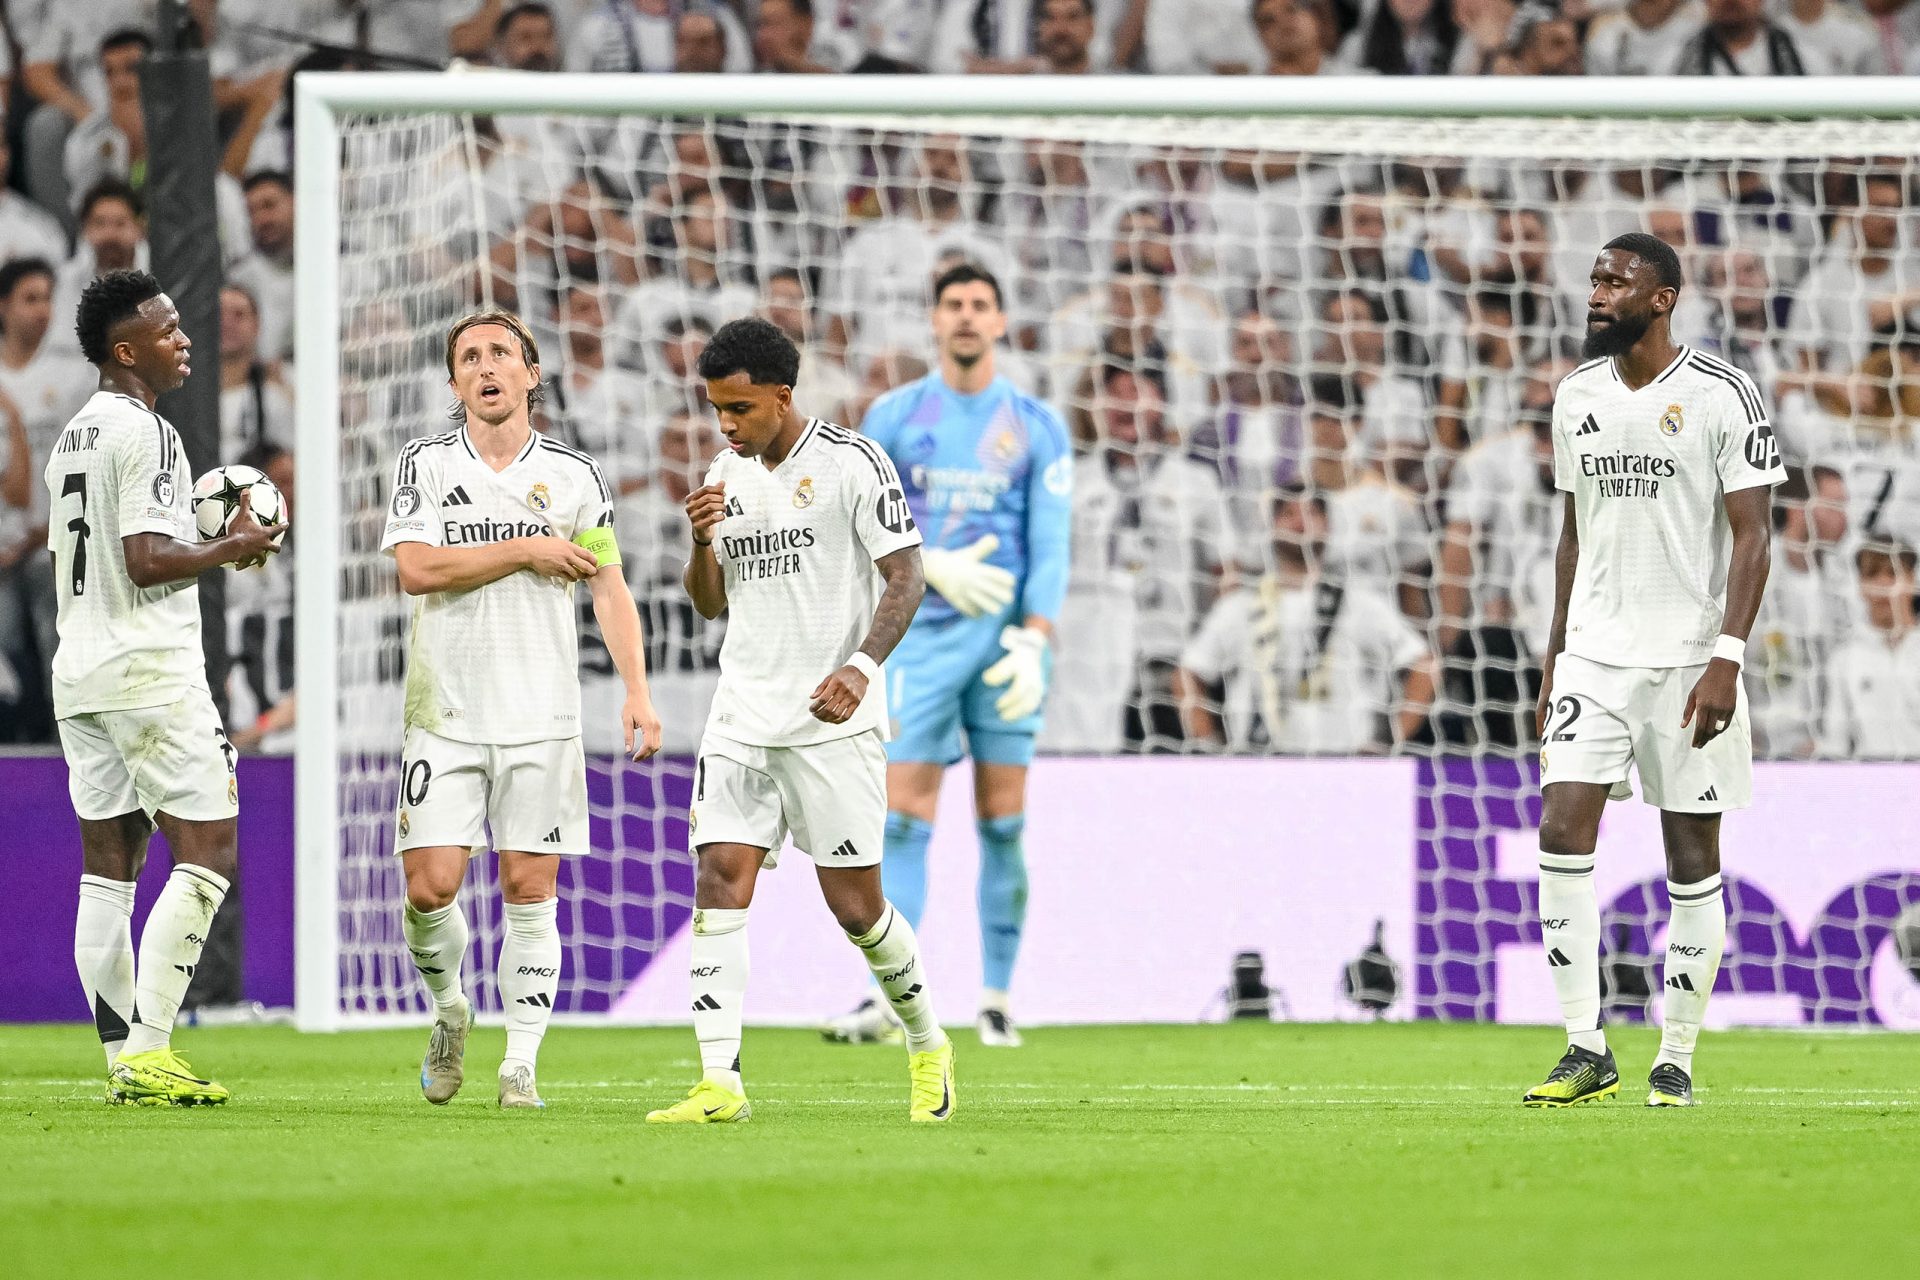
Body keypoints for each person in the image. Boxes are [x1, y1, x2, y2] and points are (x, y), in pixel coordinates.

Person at [648, 317, 954, 1124]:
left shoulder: (853, 463)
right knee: (719, 880)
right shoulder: (725, 473)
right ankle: (720, 1083)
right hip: (742, 715)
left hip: (832, 722)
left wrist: (860, 668)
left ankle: (927, 1043)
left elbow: (907, 576)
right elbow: (709, 603)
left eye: (740, 408)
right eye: (717, 408)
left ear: (782, 397)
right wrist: (703, 541)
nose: (726, 425)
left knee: (857, 909)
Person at [381, 309, 663, 1109]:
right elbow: (417, 569)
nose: (486, 366)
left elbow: (607, 583)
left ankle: (521, 1065)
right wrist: (526, 550)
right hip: (445, 711)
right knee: (431, 888)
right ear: (454, 384)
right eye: (469, 357)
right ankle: (451, 1010)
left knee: (530, 890)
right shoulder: (425, 465)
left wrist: (637, 690)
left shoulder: (575, 477)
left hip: (542, 712)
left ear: (532, 375)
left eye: (501, 352)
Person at [1527, 232, 1784, 1110]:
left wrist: (1728, 659)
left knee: (1690, 855)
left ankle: (1674, 1054)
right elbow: (1574, 534)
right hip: (1595, 654)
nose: (1596, 292)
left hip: (1686, 660)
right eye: (1592, 277)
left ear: (1663, 296)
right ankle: (1584, 1045)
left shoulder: (1722, 394)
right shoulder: (1574, 397)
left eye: (1614, 280)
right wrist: (1555, 652)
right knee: (1561, 832)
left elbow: (1754, 536)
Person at [820, 264, 1071, 1048]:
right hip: (918, 642)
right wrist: (932, 562)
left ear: (1001, 322)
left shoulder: (1037, 425)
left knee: (1003, 824)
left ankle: (996, 996)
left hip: (1004, 652)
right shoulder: (895, 417)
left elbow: (1053, 547)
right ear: (934, 321)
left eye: (980, 306)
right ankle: (889, 1000)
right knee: (901, 823)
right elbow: (857, 522)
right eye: (953, 305)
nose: (966, 317)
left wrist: (1036, 638)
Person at [50, 269, 285, 1104]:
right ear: (126, 350)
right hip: (149, 670)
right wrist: (233, 545)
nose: (184, 340)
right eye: (168, 329)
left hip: (81, 672)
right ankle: (150, 1049)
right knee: (209, 851)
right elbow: (147, 560)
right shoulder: (146, 434)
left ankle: (124, 1062)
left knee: (108, 870)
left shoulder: (75, 435)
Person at [1817, 540, 1920, 759]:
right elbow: (1835, 744)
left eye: (1892, 573)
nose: (1882, 583)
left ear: (1912, 580)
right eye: (1872, 574)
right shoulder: (1844, 659)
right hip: (1873, 784)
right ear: (1861, 586)